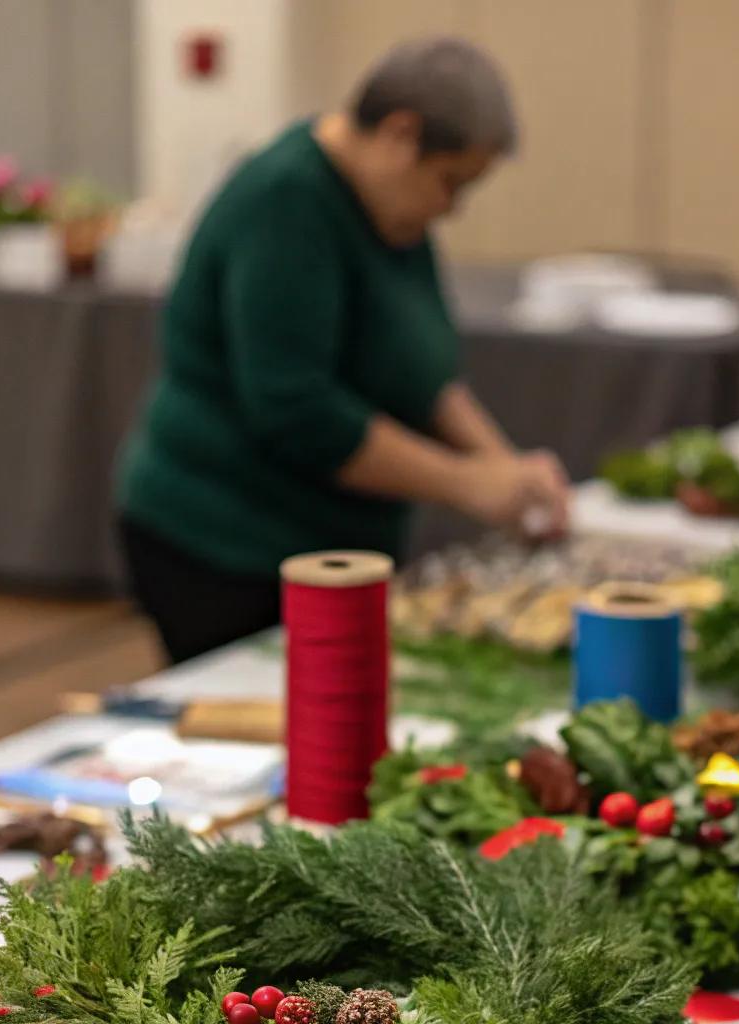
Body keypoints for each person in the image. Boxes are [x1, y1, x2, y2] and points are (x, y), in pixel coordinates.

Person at [119, 36, 570, 664]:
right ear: (399, 133)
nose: (453, 207)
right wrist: (468, 484)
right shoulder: (287, 201)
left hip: (326, 549)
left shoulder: (394, 209)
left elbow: (425, 372)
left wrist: (506, 469)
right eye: (449, 181)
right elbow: (298, 413)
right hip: (227, 548)